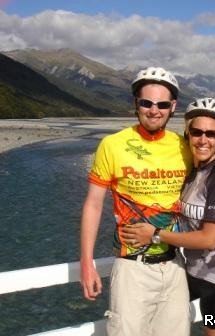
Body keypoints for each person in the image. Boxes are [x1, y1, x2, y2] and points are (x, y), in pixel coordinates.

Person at [79, 66, 192, 336]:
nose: (154, 110)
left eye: (162, 104)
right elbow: (93, 205)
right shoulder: (112, 144)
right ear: (136, 103)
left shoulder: (184, 147)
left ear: (173, 106)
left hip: (175, 266)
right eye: (146, 103)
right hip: (131, 268)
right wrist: (87, 263)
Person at [122, 97, 215, 336]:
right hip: (194, 270)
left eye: (211, 134)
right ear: (187, 134)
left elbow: (209, 240)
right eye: (197, 132)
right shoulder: (193, 172)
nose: (203, 139)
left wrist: (156, 235)